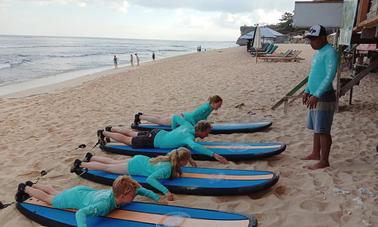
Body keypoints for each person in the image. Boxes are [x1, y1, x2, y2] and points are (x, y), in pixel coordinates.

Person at [16, 176, 166, 227]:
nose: (134, 196)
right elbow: (81, 213)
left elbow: (140, 190)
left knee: (57, 192)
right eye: (132, 196)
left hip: (83, 192)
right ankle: (26, 189)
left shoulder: (120, 193)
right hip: (76, 198)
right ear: (123, 195)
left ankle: (32, 184)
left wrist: (157, 198)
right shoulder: (103, 205)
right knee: (50, 199)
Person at [73, 147, 195, 201]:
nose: (188, 163)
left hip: (140, 159)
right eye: (188, 160)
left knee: (113, 162)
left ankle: (91, 157)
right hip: (134, 166)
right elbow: (150, 179)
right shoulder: (167, 168)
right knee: (108, 168)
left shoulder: (171, 156)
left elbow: (180, 151)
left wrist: (190, 159)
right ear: (182, 161)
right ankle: (81, 165)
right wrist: (166, 191)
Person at [99, 120, 229, 164]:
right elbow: (195, 146)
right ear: (202, 130)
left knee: (131, 133)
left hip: (158, 132)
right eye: (207, 132)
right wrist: (214, 155)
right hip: (154, 140)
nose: (207, 135)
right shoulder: (189, 138)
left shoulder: (189, 125)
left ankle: (110, 128)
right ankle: (103, 133)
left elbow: (178, 118)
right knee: (128, 140)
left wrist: (173, 132)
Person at [302, 25, 339, 170]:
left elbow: (329, 76)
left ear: (323, 38)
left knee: (323, 130)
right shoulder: (318, 53)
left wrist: (316, 94)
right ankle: (315, 153)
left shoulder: (330, 52)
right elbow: (313, 74)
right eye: (309, 39)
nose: (311, 42)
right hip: (315, 94)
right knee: (316, 128)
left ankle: (324, 160)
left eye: (313, 39)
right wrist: (307, 90)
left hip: (324, 96)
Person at [134, 95, 223, 129]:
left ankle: (142, 115)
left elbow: (201, 118)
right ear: (214, 103)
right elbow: (195, 115)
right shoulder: (205, 108)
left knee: (161, 118)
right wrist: (193, 125)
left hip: (183, 116)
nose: (220, 106)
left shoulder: (210, 107)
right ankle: (139, 117)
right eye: (219, 104)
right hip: (181, 118)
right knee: (160, 121)